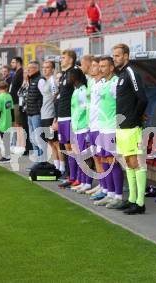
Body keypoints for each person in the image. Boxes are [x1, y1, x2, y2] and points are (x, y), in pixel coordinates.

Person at [112, 43, 148, 215]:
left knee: (136, 163)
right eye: (114, 55)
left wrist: (134, 119)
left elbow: (142, 98)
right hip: (122, 127)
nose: (115, 58)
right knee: (128, 163)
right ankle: (132, 198)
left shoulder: (132, 72)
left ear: (126, 56)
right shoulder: (121, 75)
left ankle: (140, 203)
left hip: (131, 127)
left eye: (118, 55)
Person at [92, 57, 124, 209]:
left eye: (104, 66)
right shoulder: (102, 83)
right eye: (100, 66)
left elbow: (121, 105)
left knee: (113, 162)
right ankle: (109, 193)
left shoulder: (115, 82)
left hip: (112, 129)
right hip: (101, 129)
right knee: (104, 161)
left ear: (111, 68)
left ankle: (118, 196)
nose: (100, 69)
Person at [57, 50, 83, 189]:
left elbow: (81, 93)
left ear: (71, 59)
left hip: (70, 116)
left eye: (64, 57)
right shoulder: (64, 75)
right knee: (67, 147)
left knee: (74, 147)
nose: (61, 60)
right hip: (62, 116)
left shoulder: (75, 72)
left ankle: (78, 177)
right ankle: (71, 176)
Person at [38, 60, 65, 175]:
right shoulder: (46, 81)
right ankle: (56, 166)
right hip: (45, 115)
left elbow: (56, 97)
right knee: (50, 142)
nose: (45, 69)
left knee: (56, 143)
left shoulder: (53, 81)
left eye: (48, 67)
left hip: (50, 115)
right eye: (43, 67)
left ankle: (62, 168)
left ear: (53, 69)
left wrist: (55, 117)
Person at [85, 56, 107, 196]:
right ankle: (101, 184)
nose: (90, 68)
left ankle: (106, 188)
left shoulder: (104, 83)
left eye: (94, 66)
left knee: (103, 158)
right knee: (96, 157)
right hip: (91, 125)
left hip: (100, 126)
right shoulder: (91, 82)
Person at [68, 67, 91, 193]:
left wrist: (87, 128)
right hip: (76, 128)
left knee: (84, 156)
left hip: (82, 128)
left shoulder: (83, 91)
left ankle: (87, 182)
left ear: (75, 77)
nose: (68, 78)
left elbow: (86, 109)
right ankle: (82, 181)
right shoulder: (76, 90)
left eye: (70, 76)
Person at [25, 61, 44, 164]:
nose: (28, 70)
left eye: (30, 68)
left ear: (36, 69)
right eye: (28, 68)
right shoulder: (31, 79)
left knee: (38, 139)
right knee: (33, 139)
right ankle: (37, 162)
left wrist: (40, 109)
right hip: (30, 113)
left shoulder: (40, 80)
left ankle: (41, 162)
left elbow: (45, 97)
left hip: (36, 114)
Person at [0, 81, 14, 163]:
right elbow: (12, 109)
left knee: (3, 139)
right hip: (8, 120)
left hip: (2, 121)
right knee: (7, 138)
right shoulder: (9, 96)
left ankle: (6, 156)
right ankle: (7, 155)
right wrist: (13, 120)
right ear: (7, 88)